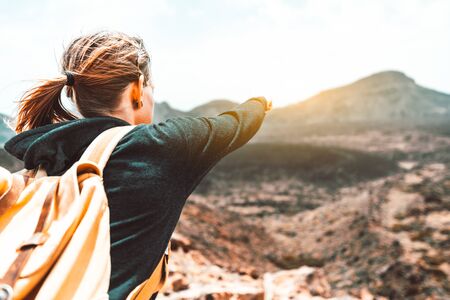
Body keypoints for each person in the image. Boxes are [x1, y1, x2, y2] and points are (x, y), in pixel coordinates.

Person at [3, 30, 272, 299]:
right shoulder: (160, 146)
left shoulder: (45, 155)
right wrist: (260, 103)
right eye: (150, 87)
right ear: (137, 88)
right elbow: (237, 124)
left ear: (73, 94)